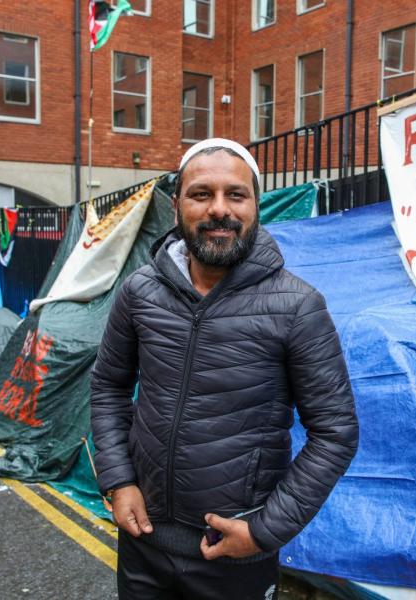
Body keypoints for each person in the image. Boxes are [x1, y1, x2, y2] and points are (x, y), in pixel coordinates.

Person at [90, 138, 358, 599]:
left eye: (236, 194)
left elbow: (335, 432)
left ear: (256, 205)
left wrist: (263, 531)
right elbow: (109, 387)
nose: (219, 209)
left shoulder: (297, 306)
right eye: (201, 194)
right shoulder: (139, 292)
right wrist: (119, 482)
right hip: (143, 542)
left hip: (234, 558)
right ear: (176, 206)